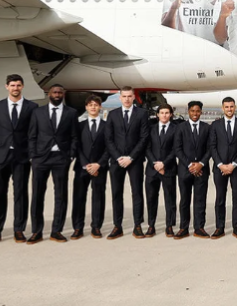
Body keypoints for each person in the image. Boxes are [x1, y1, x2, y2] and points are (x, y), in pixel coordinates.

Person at [0, 74, 38, 245]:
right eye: (12, 85)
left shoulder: (32, 107)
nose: (15, 88)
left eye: (18, 85)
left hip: (22, 157)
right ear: (6, 87)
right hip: (1, 157)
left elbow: (34, 133)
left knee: (21, 194)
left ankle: (19, 229)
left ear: (22, 87)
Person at [27, 84, 79, 244]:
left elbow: (74, 136)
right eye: (54, 92)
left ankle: (57, 230)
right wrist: (33, 156)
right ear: (48, 94)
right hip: (41, 158)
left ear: (63, 94)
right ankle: (36, 231)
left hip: (61, 158)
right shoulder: (38, 112)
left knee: (61, 195)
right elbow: (32, 135)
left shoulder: (71, 113)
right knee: (37, 195)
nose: (57, 94)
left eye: (60, 92)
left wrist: (70, 155)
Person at [105, 86, 151, 239]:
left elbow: (144, 138)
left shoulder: (142, 114)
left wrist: (131, 157)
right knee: (116, 194)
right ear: (120, 98)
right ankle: (117, 226)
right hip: (116, 161)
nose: (126, 99)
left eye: (129, 96)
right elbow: (109, 139)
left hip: (135, 160)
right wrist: (119, 157)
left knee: (137, 193)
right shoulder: (112, 115)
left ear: (133, 97)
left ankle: (137, 225)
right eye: (124, 96)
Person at [208, 96, 237, 238]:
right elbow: (212, 146)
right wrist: (220, 165)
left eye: (231, 106)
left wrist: (233, 164)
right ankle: (219, 227)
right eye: (226, 107)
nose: (229, 109)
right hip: (219, 168)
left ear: (235, 107)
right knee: (220, 198)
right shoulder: (215, 125)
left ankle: (236, 227)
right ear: (222, 108)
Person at [71, 95, 108, 239]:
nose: (93, 107)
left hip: (100, 167)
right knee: (79, 198)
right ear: (86, 107)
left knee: (98, 198)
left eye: (96, 104)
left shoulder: (107, 126)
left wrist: (99, 164)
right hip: (81, 167)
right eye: (90, 105)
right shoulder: (80, 126)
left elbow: (109, 147)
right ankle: (78, 228)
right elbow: (77, 147)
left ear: (100, 107)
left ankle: (96, 226)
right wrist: (86, 164)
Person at [174, 100, 211, 239]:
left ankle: (199, 227)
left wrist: (201, 164)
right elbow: (177, 149)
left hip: (202, 170)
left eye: (197, 111)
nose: (195, 114)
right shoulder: (180, 128)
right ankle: (183, 228)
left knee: (200, 200)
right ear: (188, 111)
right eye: (192, 111)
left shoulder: (207, 128)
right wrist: (190, 165)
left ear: (201, 112)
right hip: (185, 170)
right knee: (185, 200)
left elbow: (210, 148)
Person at [145, 104, 178, 237]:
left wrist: (164, 164)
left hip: (168, 168)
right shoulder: (150, 129)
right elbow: (147, 148)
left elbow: (176, 149)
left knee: (170, 198)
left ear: (171, 114)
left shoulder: (176, 129)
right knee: (151, 198)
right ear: (157, 114)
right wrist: (155, 164)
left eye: (167, 113)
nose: (164, 115)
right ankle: (151, 225)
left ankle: (169, 226)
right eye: (162, 113)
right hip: (152, 170)